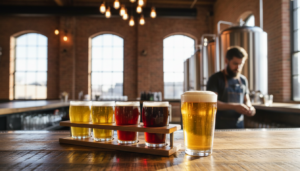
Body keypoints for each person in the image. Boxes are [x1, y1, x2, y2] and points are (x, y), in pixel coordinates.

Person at [206, 46, 256, 129]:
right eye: (235, 63)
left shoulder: (243, 80)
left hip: (239, 126)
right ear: (226, 61)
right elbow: (211, 103)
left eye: (241, 64)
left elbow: (247, 100)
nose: (238, 67)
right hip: (220, 126)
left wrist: (250, 108)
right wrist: (235, 107)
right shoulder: (215, 78)